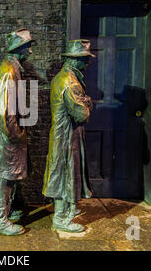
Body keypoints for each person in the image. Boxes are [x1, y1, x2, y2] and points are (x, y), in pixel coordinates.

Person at [0, 28, 35, 235]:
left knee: (7, 177)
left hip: (8, 133)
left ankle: (3, 214)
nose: (30, 52)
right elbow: (4, 109)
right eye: (27, 47)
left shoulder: (13, 68)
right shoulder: (8, 71)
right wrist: (15, 134)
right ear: (18, 48)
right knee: (3, 178)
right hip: (7, 135)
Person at [42, 39, 95, 233]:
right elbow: (82, 113)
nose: (87, 63)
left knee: (67, 173)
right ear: (75, 60)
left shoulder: (65, 77)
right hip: (66, 136)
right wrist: (88, 103)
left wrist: (85, 102)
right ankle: (61, 217)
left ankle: (67, 209)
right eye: (84, 59)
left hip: (66, 135)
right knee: (65, 173)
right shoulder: (69, 82)